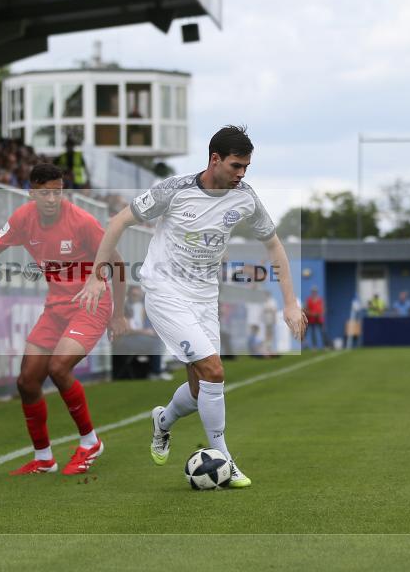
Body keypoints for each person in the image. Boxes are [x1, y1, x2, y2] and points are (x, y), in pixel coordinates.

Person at [75, 125, 307, 488]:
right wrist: (94, 276)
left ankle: (163, 422)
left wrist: (290, 303)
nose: (241, 174)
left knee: (201, 389)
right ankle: (225, 462)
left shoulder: (245, 197)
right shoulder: (174, 190)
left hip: (204, 296)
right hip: (165, 289)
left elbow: (274, 245)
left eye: (246, 167)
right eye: (236, 166)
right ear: (215, 159)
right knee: (214, 371)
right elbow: (119, 221)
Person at [0, 163, 128, 475]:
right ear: (32, 193)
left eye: (58, 192)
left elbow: (117, 264)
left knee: (58, 367)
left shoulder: (82, 221)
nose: (53, 199)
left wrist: (118, 314)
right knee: (27, 380)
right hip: (56, 307)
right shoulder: (23, 219)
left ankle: (90, 442)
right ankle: (43, 458)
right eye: (45, 193)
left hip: (91, 304)